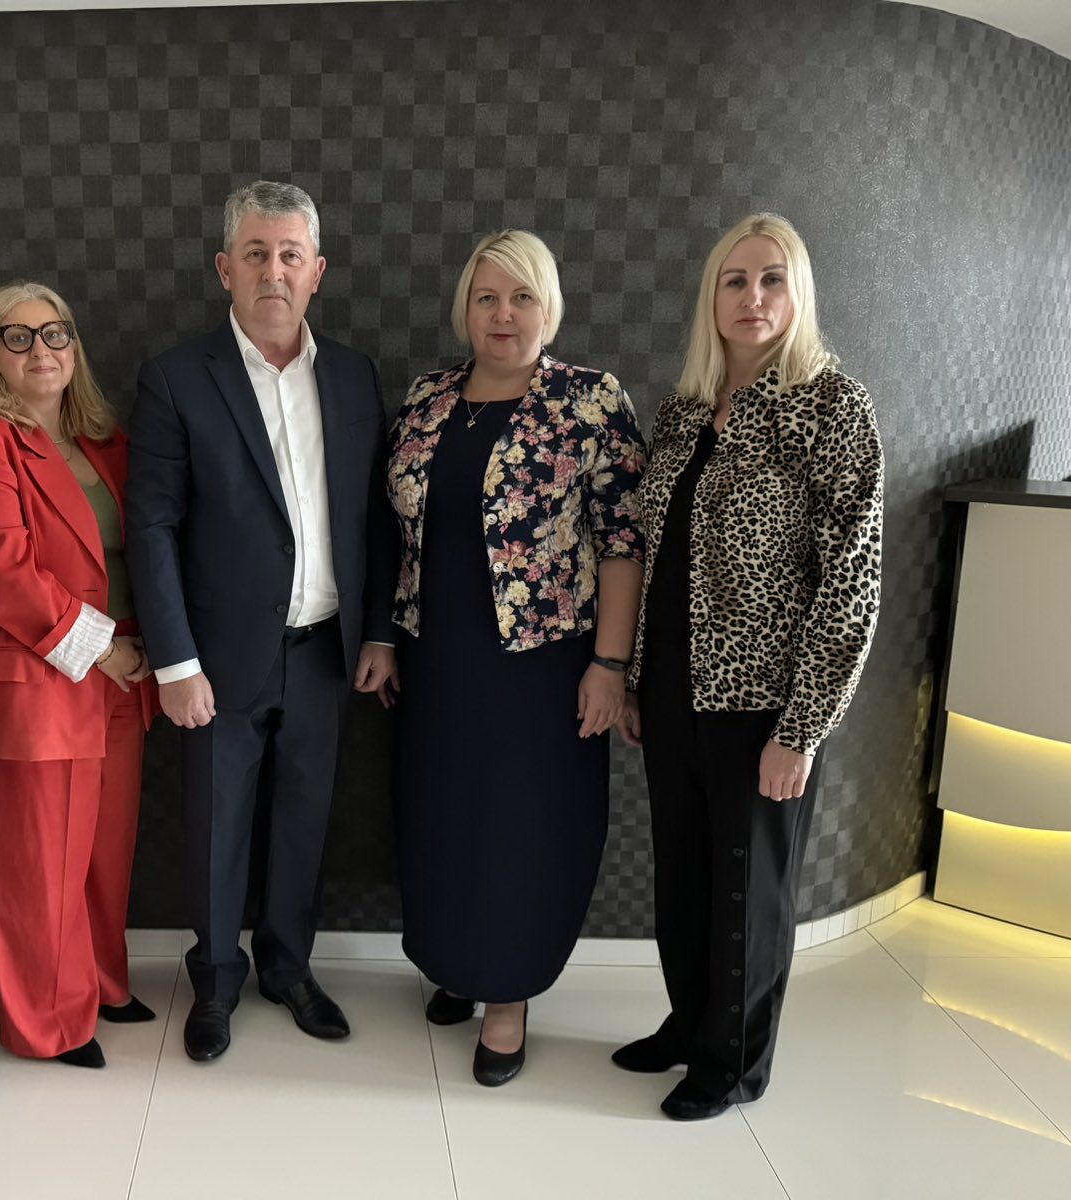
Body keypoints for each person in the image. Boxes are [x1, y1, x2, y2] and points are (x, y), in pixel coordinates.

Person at [611, 214, 884, 1120]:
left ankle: (732, 1063)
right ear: (712, 297)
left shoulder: (831, 407)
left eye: (772, 279)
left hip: (764, 704)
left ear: (797, 293)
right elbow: (656, 553)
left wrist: (802, 729)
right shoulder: (686, 409)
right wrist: (639, 677)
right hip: (673, 689)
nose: (753, 297)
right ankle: (689, 1023)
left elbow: (852, 583)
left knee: (748, 890)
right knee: (684, 875)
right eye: (735, 280)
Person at [126, 180, 397, 1063]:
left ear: (317, 271)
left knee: (304, 821)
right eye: (255, 254)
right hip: (217, 660)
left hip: (326, 651)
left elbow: (376, 516)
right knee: (216, 827)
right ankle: (214, 983)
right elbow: (152, 526)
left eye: (289, 256)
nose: (272, 272)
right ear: (224, 269)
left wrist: (380, 632)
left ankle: (288, 968)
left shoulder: (354, 375)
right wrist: (175, 663)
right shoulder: (177, 377)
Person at [386, 230, 646, 1087]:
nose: (504, 315)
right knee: (444, 819)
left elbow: (623, 540)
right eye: (488, 297)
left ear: (550, 307)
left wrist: (610, 666)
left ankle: (508, 997)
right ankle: (457, 966)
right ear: (465, 307)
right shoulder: (427, 399)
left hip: (542, 668)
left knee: (520, 831)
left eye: (522, 297)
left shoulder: (589, 400)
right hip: (437, 658)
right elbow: (394, 530)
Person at [0, 281, 158, 1070]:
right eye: (18, 336)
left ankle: (100, 983)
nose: (41, 349)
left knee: (105, 851)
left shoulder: (107, 444)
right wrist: (104, 651)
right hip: (46, 679)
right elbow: (10, 577)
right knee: (43, 864)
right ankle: (47, 1022)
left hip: (123, 677)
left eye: (55, 333)